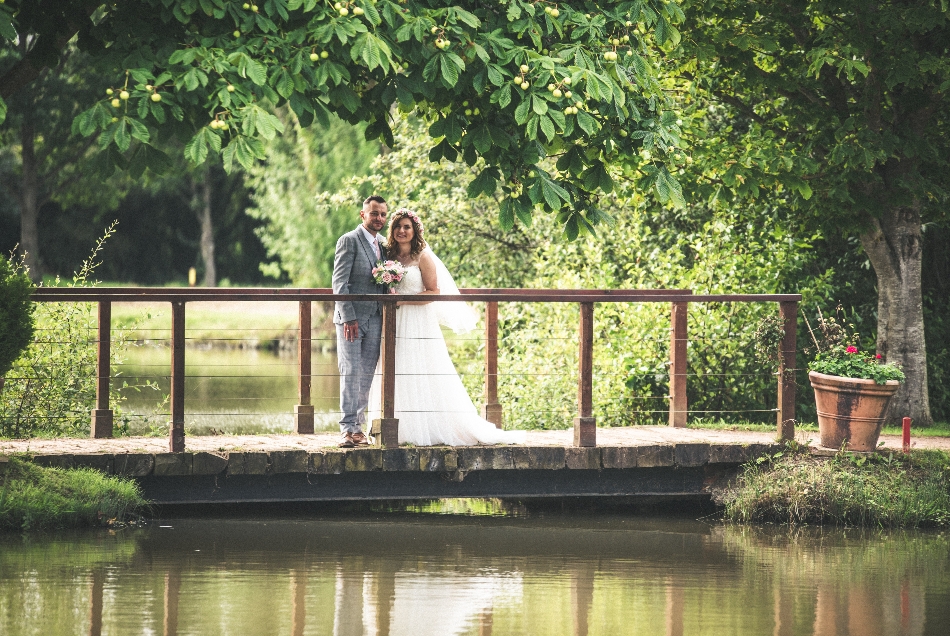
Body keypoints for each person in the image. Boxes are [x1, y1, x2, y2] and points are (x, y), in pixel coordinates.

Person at [368, 208, 526, 446]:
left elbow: (434, 292)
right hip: (394, 321)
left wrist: (400, 300)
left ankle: (426, 428)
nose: (402, 231)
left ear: (415, 231)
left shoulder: (423, 257)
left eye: (407, 227)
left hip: (418, 320)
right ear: (392, 230)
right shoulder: (387, 256)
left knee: (420, 367)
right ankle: (396, 428)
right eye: (398, 226)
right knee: (394, 367)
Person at [332, 195, 389, 448]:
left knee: (366, 374)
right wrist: (349, 317)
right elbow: (339, 283)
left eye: (383, 214)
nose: (379, 218)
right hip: (351, 320)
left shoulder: (383, 245)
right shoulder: (349, 240)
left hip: (376, 318)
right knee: (350, 371)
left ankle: (359, 429)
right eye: (374, 213)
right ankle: (347, 429)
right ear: (362, 214)